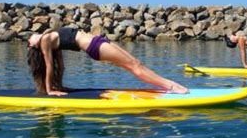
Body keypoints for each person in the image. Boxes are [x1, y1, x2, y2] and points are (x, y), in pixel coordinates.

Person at [27, 28, 189, 96]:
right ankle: (170, 86)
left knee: (136, 63)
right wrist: (50, 90)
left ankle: (169, 85)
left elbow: (60, 66)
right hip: (95, 47)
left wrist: (60, 86)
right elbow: (49, 66)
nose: (29, 39)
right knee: (134, 67)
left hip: (97, 41)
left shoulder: (48, 35)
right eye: (28, 43)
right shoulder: (45, 41)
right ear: (34, 46)